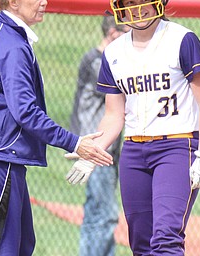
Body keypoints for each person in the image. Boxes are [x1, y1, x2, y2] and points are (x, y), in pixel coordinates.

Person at [0, 0, 113, 255]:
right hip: (0, 158)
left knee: (22, 244)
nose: (44, 2)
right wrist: (76, 143)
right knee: (3, 248)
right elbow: (25, 112)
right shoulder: (12, 44)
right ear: (14, 2)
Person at [66, 0, 200, 255]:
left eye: (144, 0)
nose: (138, 8)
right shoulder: (113, 52)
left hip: (176, 146)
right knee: (142, 244)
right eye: (131, 2)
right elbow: (114, 116)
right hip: (134, 152)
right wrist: (94, 150)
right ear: (119, 7)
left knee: (166, 238)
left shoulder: (182, 39)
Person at [67, 16, 128, 256]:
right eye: (126, 30)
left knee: (98, 213)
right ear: (113, 32)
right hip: (95, 150)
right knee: (104, 215)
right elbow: (125, 89)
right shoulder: (97, 62)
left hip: (106, 151)